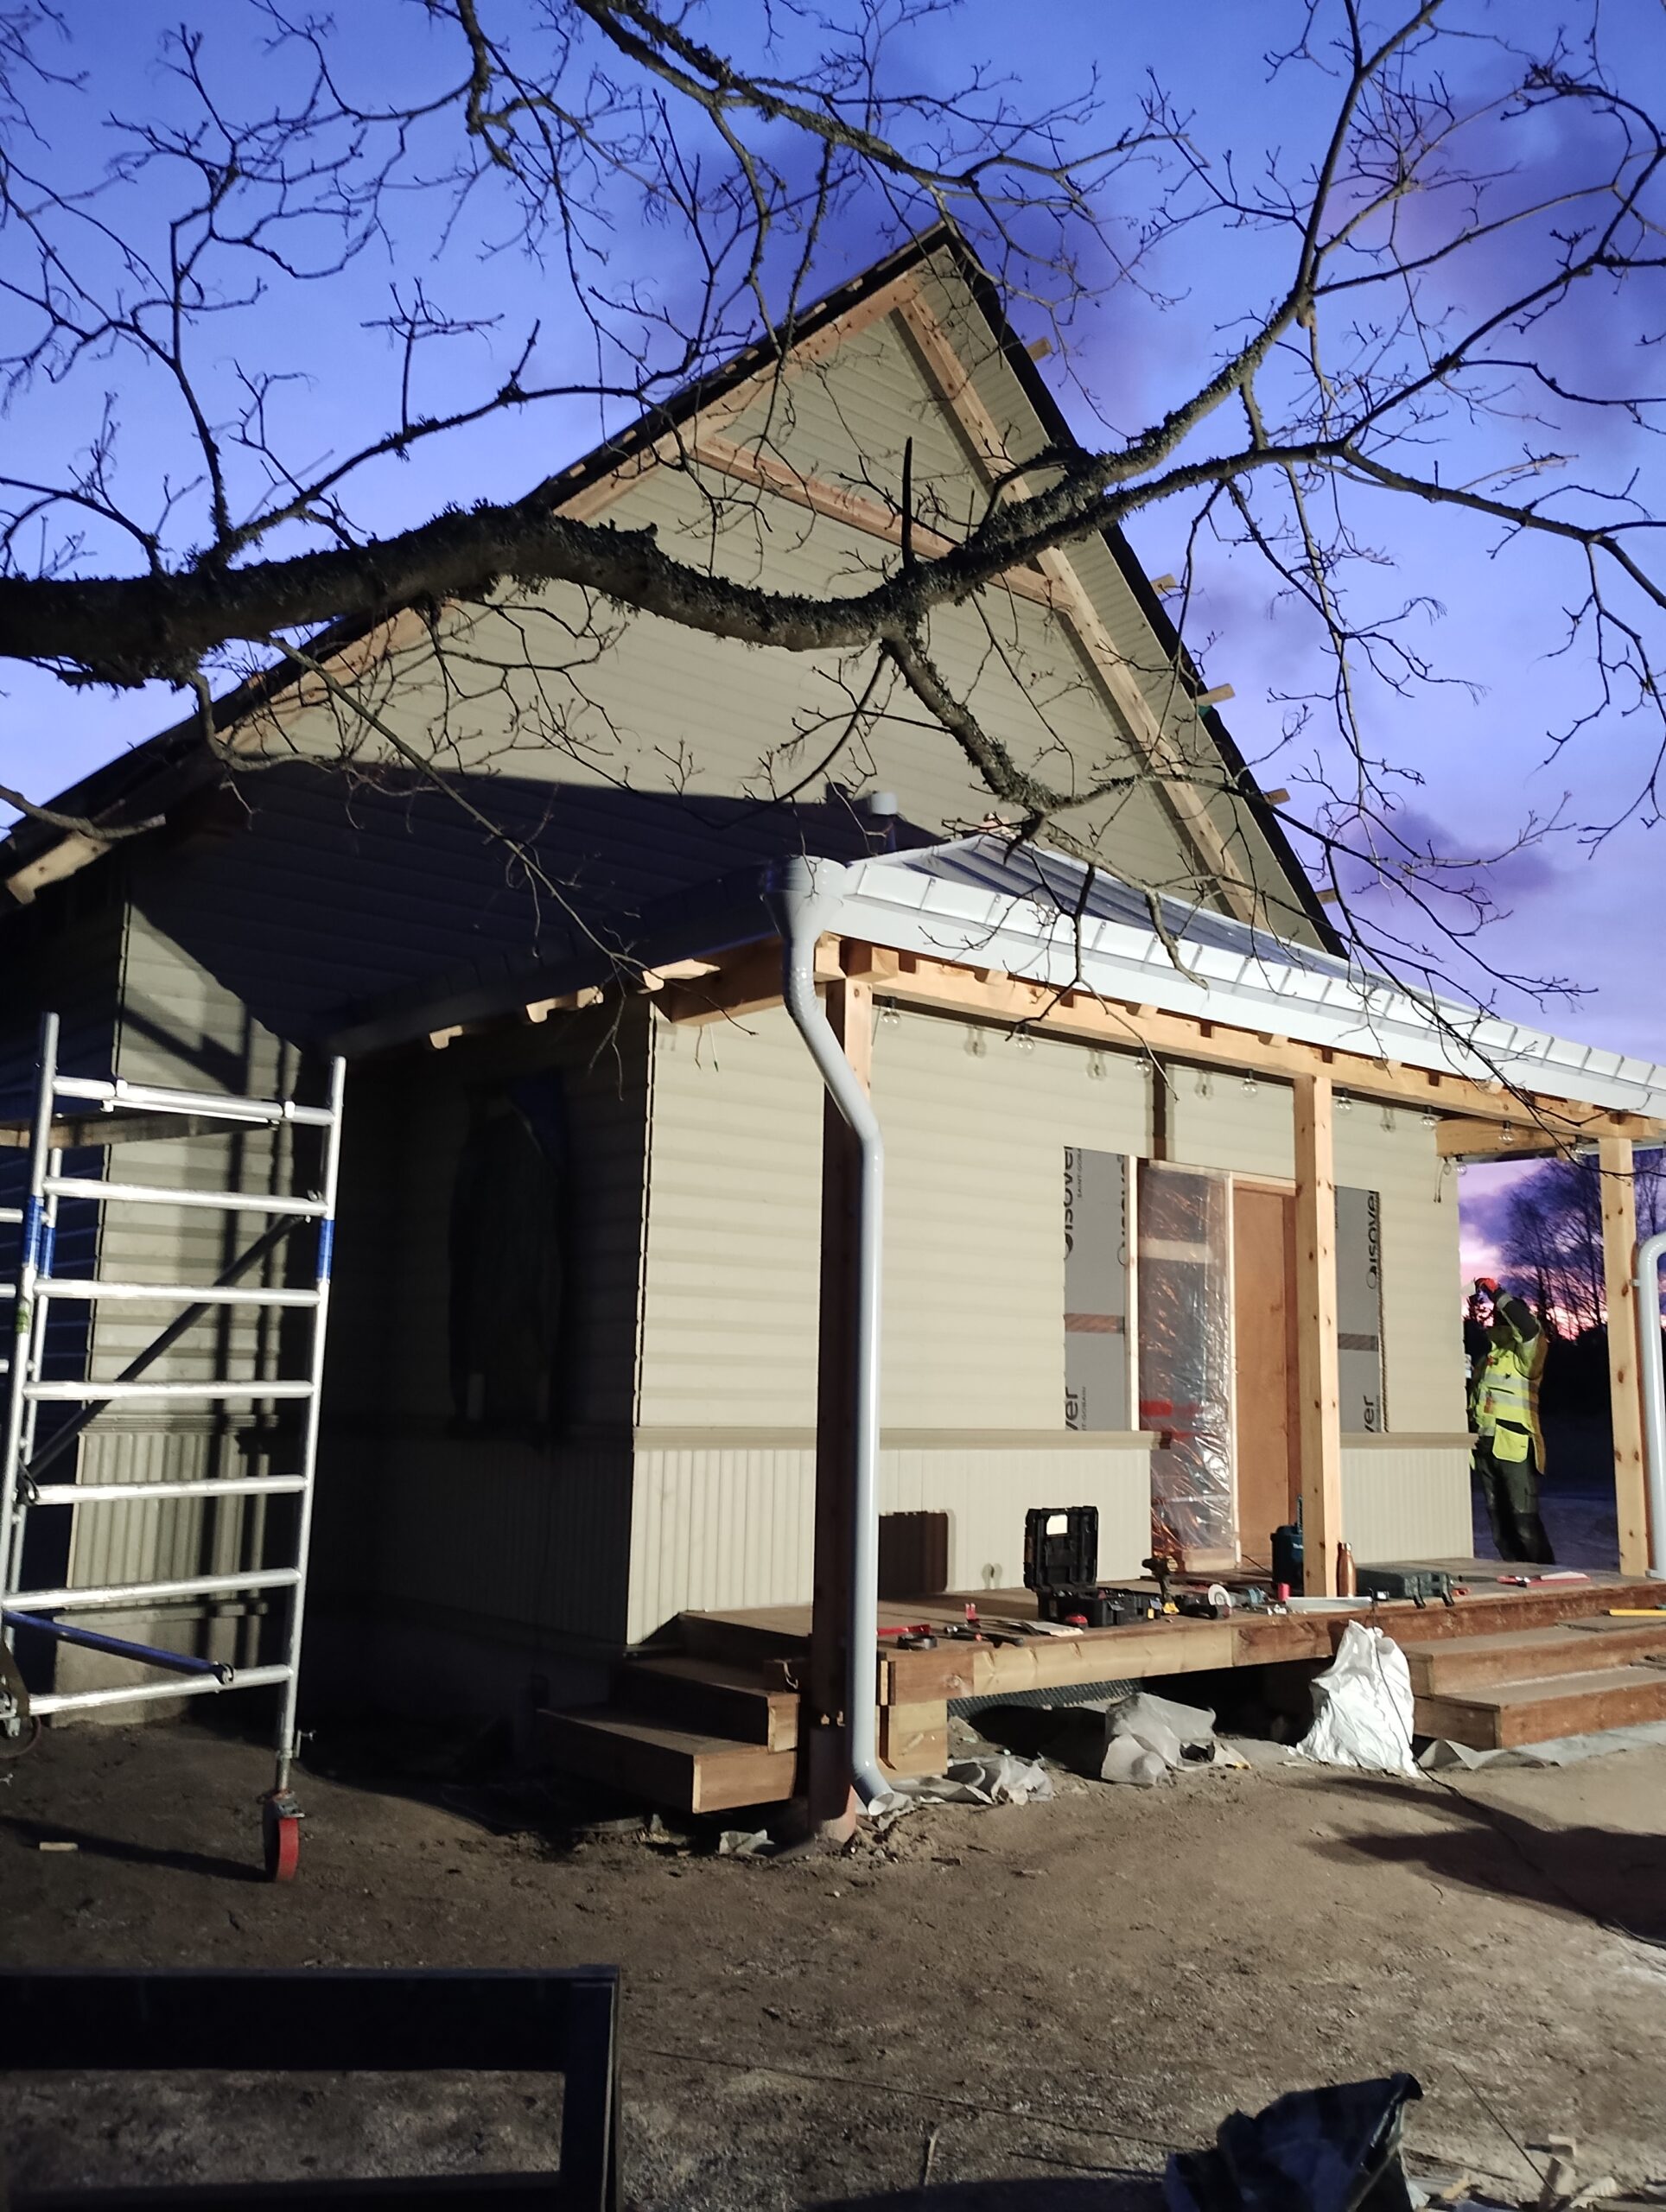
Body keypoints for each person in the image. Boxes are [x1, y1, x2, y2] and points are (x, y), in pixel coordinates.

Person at [1466, 1275, 1554, 1563]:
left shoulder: (1526, 1355)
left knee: (1524, 1523)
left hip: (1514, 1447)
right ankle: (1518, 1575)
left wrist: (1496, 1292)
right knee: (1500, 1528)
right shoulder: (1487, 1360)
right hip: (1485, 1449)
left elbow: (1527, 1327)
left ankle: (1546, 1577)